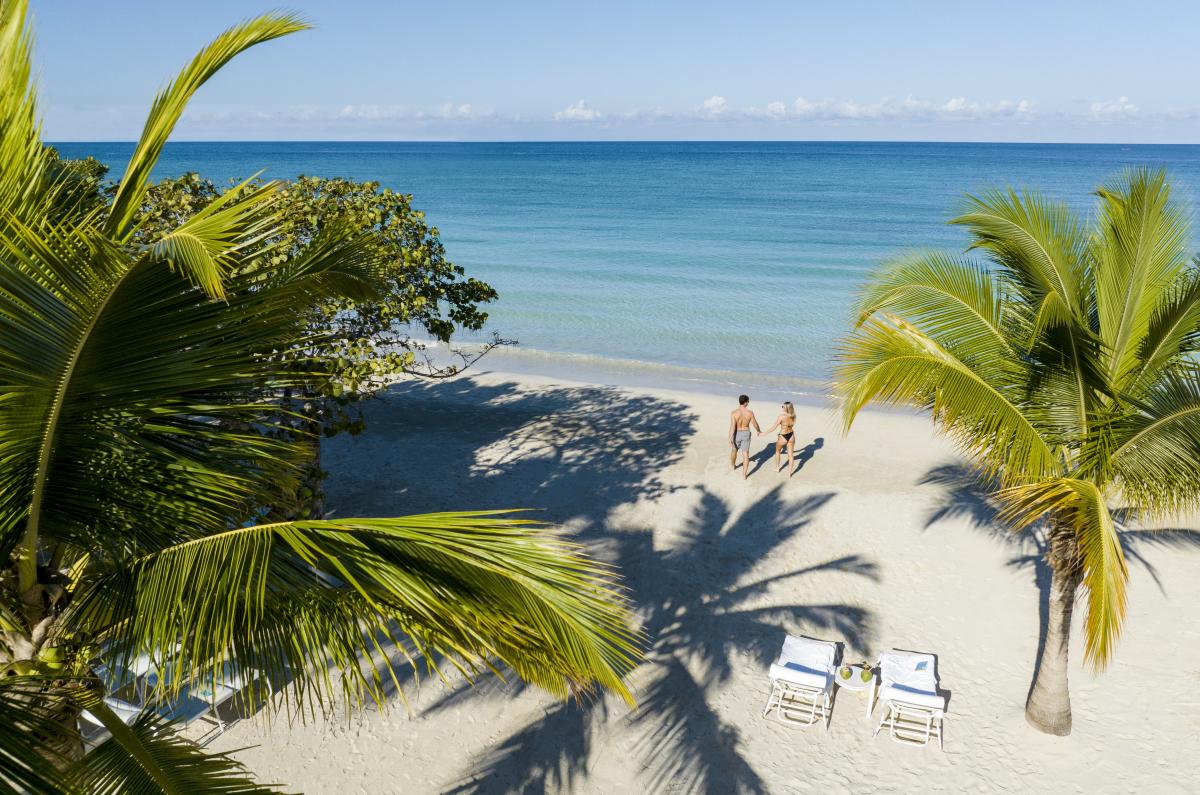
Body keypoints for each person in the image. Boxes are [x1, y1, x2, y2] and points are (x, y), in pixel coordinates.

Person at [728, 394, 761, 479]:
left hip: (737, 433)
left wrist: (730, 437)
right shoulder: (750, 413)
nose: (748, 403)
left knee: (734, 450)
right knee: (745, 454)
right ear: (745, 402)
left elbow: (732, 426)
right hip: (746, 433)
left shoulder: (734, 413)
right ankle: (744, 475)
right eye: (748, 401)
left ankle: (733, 466)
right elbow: (755, 424)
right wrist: (758, 430)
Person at [763, 401, 798, 475]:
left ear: (785, 408)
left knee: (777, 451)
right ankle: (789, 473)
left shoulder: (781, 416)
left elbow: (773, 427)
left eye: (783, 407)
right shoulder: (793, 416)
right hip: (791, 435)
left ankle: (777, 468)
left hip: (783, 436)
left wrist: (764, 433)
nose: (782, 408)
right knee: (791, 455)